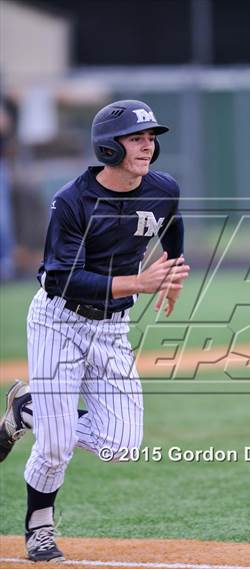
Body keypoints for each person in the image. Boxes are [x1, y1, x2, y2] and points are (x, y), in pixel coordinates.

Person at [0, 100, 189, 561]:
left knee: (122, 445)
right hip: (59, 322)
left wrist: (173, 270)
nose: (147, 145)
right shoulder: (73, 200)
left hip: (111, 329)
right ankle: (39, 529)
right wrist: (138, 282)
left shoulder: (162, 188)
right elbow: (57, 277)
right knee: (57, 445)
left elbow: (172, 218)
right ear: (109, 147)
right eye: (136, 138)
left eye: (151, 138)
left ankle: (26, 411)